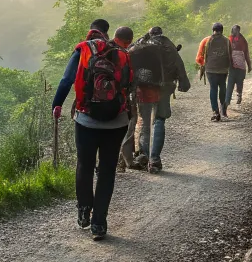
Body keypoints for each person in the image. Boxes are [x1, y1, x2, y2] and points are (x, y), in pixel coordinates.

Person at [51, 18, 133, 240]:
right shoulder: (121, 53)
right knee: (107, 171)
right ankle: (99, 223)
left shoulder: (84, 49)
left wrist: (57, 104)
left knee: (85, 165)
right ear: (107, 34)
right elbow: (128, 85)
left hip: (86, 119)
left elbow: (66, 80)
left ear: (91, 31)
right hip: (117, 121)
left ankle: (84, 210)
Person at [134, 25, 190, 172]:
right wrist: (184, 82)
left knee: (145, 121)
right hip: (164, 88)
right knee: (159, 120)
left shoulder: (142, 44)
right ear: (161, 34)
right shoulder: (168, 45)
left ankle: (144, 155)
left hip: (144, 87)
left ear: (150, 34)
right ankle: (155, 160)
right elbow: (179, 64)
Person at [111, 25, 138, 172]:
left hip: (98, 101)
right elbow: (128, 80)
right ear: (128, 41)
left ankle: (106, 163)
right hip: (120, 100)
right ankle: (122, 162)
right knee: (128, 127)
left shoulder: (101, 50)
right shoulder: (124, 54)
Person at [196, 22, 231, 121]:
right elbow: (230, 56)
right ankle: (223, 108)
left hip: (210, 70)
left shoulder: (206, 41)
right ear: (222, 30)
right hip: (223, 69)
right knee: (223, 86)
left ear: (213, 30)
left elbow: (199, 58)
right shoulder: (227, 41)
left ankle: (215, 112)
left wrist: (204, 64)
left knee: (213, 88)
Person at [226, 23, 252, 110]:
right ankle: (227, 100)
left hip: (239, 66)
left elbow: (246, 53)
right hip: (232, 65)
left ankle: (238, 95)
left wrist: (249, 65)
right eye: (234, 30)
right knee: (231, 82)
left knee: (239, 82)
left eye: (236, 30)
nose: (235, 31)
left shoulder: (242, 41)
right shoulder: (230, 39)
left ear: (239, 31)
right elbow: (227, 52)